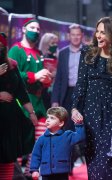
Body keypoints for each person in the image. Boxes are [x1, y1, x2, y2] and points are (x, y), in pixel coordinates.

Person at [71, 17, 112, 179]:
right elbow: (81, 84)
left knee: (107, 160)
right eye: (97, 31)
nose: (98, 36)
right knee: (92, 161)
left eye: (103, 32)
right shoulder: (87, 53)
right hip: (90, 115)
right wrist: (74, 108)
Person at [8, 18, 52, 177]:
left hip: (38, 104)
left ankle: (30, 173)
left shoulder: (39, 54)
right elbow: (10, 74)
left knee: (40, 141)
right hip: (22, 103)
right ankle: (16, 176)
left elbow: (41, 79)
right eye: (32, 27)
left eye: (38, 29)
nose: (36, 30)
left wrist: (46, 81)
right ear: (24, 30)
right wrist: (34, 76)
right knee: (20, 144)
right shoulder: (15, 50)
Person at [0, 32, 37, 179]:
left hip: (10, 121)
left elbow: (21, 92)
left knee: (8, 159)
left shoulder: (12, 65)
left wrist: (32, 112)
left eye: (2, 45)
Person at [30, 107, 85, 180]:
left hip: (62, 173)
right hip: (46, 174)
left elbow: (80, 137)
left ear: (61, 123)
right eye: (48, 117)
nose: (48, 120)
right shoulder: (41, 139)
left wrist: (79, 124)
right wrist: (34, 170)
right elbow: (36, 155)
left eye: (52, 118)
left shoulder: (67, 136)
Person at [51, 24, 83, 131]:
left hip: (83, 94)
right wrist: (55, 100)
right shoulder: (63, 53)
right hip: (67, 94)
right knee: (67, 125)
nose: (75, 37)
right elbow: (59, 78)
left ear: (82, 36)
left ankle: (82, 147)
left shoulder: (87, 52)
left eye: (78, 34)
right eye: (73, 35)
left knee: (82, 124)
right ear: (69, 36)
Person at [38, 32, 59, 110]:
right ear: (46, 44)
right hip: (42, 92)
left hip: (53, 92)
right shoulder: (39, 57)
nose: (55, 45)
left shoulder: (57, 57)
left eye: (56, 43)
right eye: (52, 43)